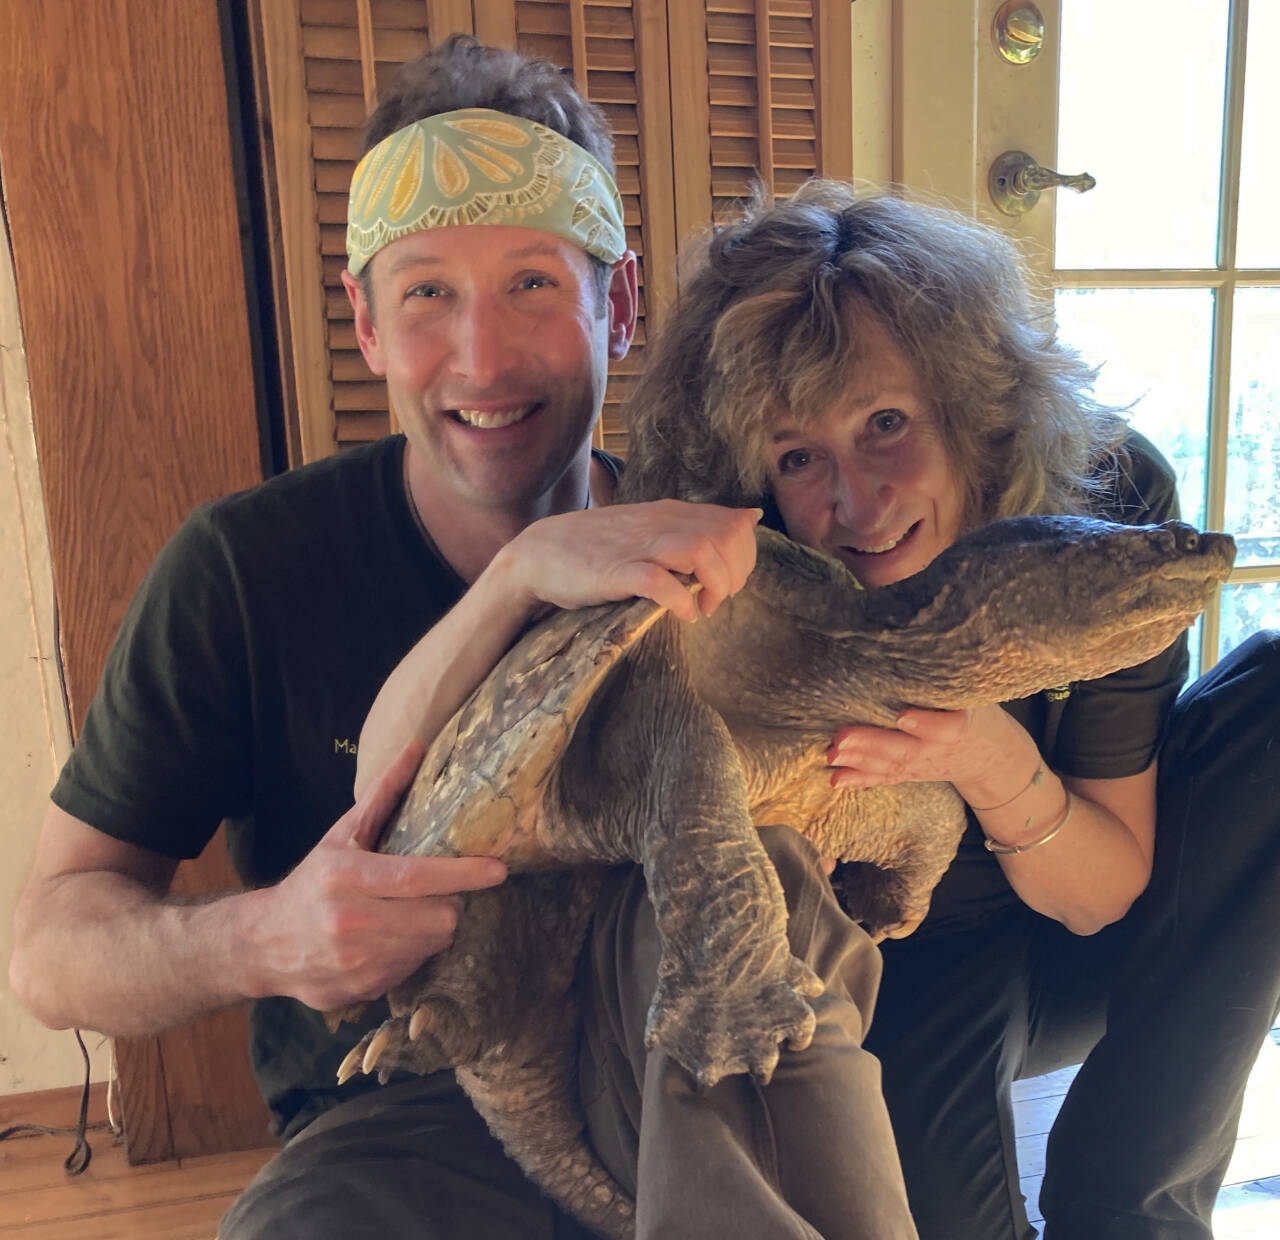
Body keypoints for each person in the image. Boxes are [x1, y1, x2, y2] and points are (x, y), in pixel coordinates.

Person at [8, 38, 919, 1240]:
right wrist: (264, 936)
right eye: (428, 290)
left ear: (620, 303)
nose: (482, 358)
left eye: (535, 284)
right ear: (367, 321)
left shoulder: (721, 546)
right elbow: (49, 950)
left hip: (691, 1050)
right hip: (403, 1103)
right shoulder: (243, 571)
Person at [614, 178, 1280, 1240]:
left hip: (1102, 909)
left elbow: (1102, 894)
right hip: (905, 941)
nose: (856, 500)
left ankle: (1129, 1205)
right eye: (798, 456)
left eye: (885, 422)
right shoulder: (746, 583)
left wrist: (983, 756)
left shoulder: (1100, 515)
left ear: (971, 411)